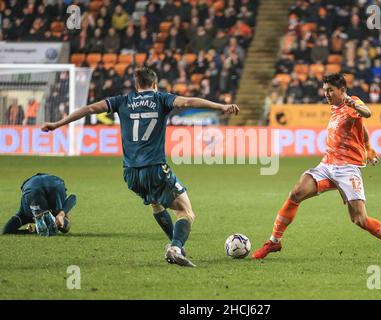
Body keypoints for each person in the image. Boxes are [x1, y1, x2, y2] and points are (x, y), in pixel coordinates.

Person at [41, 66, 239, 267]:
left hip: (130, 174)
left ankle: (176, 245)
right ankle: (176, 247)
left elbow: (90, 108)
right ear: (155, 84)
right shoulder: (161, 98)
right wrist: (221, 107)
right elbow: (187, 101)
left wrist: (58, 124)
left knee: (156, 202)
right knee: (186, 213)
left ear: (137, 84)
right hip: (155, 169)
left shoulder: (122, 101)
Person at [252, 73, 381, 260]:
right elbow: (361, 127)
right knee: (296, 193)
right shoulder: (335, 107)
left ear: (342, 90)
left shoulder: (351, 102)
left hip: (347, 169)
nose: (327, 94)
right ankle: (274, 241)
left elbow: (367, 113)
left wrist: (356, 105)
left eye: (330, 90)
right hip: (327, 165)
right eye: (325, 90)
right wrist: (368, 146)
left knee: (359, 220)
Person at [2, 173, 76, 236]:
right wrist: (61, 214)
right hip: (51, 184)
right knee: (54, 223)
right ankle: (41, 218)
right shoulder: (57, 209)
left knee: (46, 223)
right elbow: (73, 197)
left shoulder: (25, 214)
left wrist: (30, 231)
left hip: (35, 185)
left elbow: (6, 230)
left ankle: (41, 218)